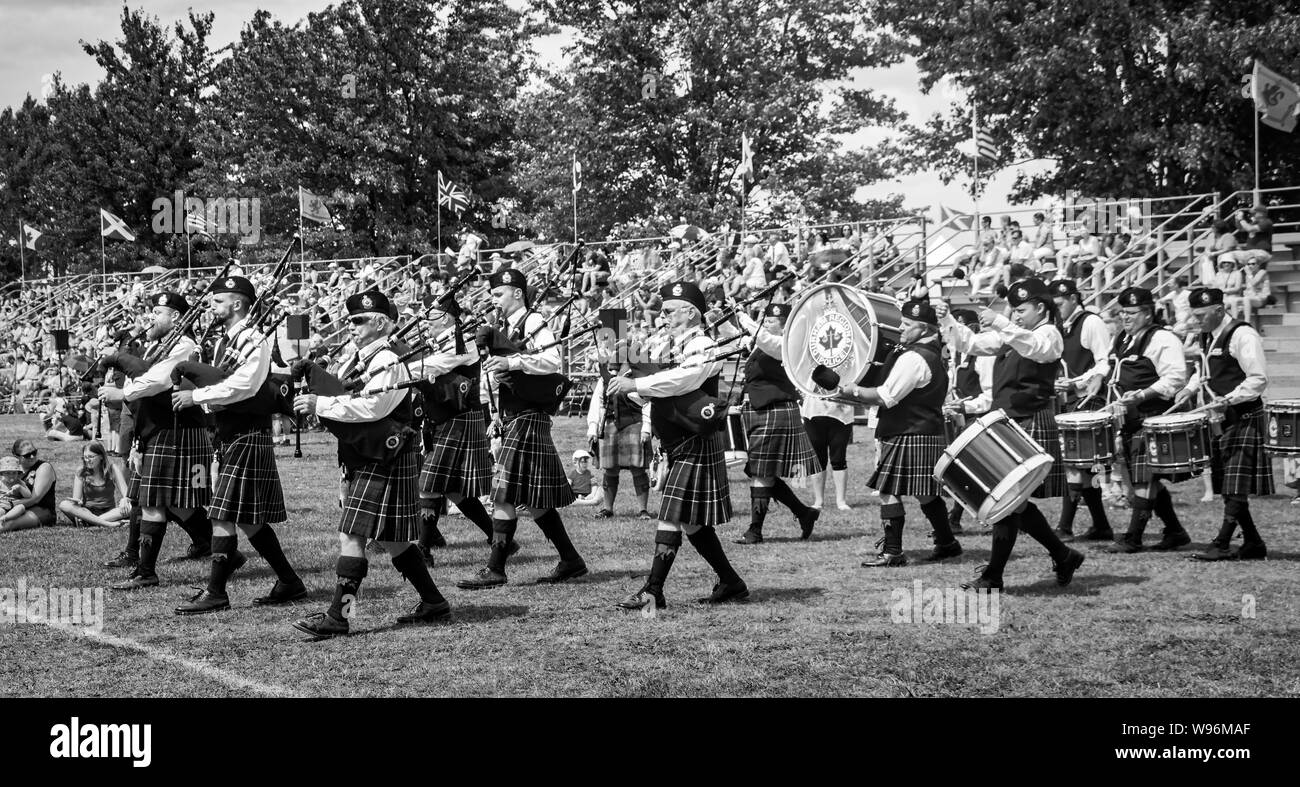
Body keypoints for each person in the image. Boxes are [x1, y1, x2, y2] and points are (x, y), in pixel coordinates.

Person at [290, 290, 452, 640]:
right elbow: (346, 393)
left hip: (386, 455)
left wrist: (321, 405)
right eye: (349, 320)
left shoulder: (391, 359)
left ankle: (338, 615)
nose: (351, 326)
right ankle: (434, 601)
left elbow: (373, 408)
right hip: (372, 455)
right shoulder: (360, 356)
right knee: (394, 540)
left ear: (381, 322)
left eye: (360, 320)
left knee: (352, 533)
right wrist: (316, 376)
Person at [938, 279, 1085, 590]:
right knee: (1012, 501)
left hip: (1030, 418)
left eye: (1021, 310)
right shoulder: (1013, 334)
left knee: (1007, 499)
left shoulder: (1049, 334)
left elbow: (1036, 349)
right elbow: (972, 344)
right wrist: (947, 318)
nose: (1016, 316)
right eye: (1014, 311)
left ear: (1041, 309)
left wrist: (1003, 322)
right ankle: (1062, 554)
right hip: (1009, 420)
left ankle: (994, 575)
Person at [171, 276, 306, 614]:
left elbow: (245, 385)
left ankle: (216, 591)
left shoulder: (253, 338)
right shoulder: (227, 341)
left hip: (248, 433)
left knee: (221, 514)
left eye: (218, 302)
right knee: (249, 521)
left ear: (238, 304)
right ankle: (289, 581)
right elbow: (224, 381)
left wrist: (198, 396)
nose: (211, 307)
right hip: (232, 434)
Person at [611, 281, 748, 610]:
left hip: (695, 439)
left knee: (671, 517)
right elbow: (653, 386)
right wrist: (628, 383)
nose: (663, 315)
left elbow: (683, 380)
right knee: (692, 523)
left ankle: (653, 590)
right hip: (674, 439)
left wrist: (637, 383)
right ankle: (731, 582)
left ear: (691, 312)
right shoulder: (665, 344)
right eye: (662, 310)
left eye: (670, 310)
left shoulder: (704, 345)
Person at [457, 268, 587, 589]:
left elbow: (552, 360)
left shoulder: (532, 321)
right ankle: (571, 560)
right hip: (518, 415)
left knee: (502, 494)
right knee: (535, 501)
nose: (494, 300)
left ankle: (496, 568)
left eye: (498, 294)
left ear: (517, 293)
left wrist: (511, 362)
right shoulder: (508, 328)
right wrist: (501, 413)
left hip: (530, 416)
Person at [833, 299, 961, 566]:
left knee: (887, 490)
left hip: (908, 431)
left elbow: (886, 396)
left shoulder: (914, 358)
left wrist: (851, 391)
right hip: (924, 431)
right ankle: (947, 543)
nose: (900, 328)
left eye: (908, 324)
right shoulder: (933, 355)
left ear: (925, 329)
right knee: (926, 493)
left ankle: (893, 552)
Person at [114, 292, 216, 590]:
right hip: (158, 428)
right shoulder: (158, 345)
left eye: (158, 312)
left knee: (154, 502)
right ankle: (225, 550)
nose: (151, 317)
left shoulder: (184, 346)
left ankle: (146, 571)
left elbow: (157, 382)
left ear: (176, 317)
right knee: (171, 503)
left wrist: (124, 392)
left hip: (177, 429)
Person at [1180, 289, 1272, 561]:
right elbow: (1204, 371)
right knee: (1228, 484)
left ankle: (1221, 542)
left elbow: (1258, 379)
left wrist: (1229, 399)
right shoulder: (1206, 335)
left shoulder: (1243, 335)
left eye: (1201, 315)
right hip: (1221, 419)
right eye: (1194, 315)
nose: (1196, 320)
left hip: (1244, 417)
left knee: (1234, 485)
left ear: (1219, 310)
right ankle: (1253, 543)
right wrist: (1189, 388)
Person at [1105, 287, 1192, 554]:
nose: (1125, 318)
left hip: (1153, 415)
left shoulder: (1163, 338)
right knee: (1144, 477)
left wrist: (1142, 394)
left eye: (1131, 313)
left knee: (1144, 479)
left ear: (1147, 312)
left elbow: (1176, 377)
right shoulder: (1123, 338)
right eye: (1122, 313)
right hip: (1130, 416)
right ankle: (1176, 532)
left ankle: (1133, 537)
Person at [410, 298, 498, 559]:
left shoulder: (465, 341)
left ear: (447, 318)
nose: (427, 322)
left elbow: (437, 366)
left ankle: (424, 550)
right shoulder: (444, 341)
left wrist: (397, 369)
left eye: (432, 316)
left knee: (428, 484)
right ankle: (497, 536)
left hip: (459, 418)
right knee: (453, 489)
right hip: (446, 417)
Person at [732, 302, 821, 544]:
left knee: (760, 472)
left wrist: (742, 315)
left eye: (771, 321)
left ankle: (755, 530)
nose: (766, 324)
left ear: (784, 326)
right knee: (760, 470)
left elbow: (761, 338)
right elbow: (740, 341)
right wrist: (724, 320)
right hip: (759, 410)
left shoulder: (787, 344)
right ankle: (804, 513)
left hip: (776, 409)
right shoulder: (761, 343)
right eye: (766, 320)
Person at [1049, 279, 1114, 542]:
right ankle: (1101, 526)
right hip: (1069, 401)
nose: (1057, 309)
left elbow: (1103, 362)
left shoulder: (1091, 322)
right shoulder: (1057, 326)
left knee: (1077, 465)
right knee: (1084, 469)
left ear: (1074, 298)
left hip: (1089, 400)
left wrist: (1075, 382)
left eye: (1060, 303)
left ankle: (1065, 527)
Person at [586, 344, 654, 519]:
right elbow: (597, 403)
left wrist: (647, 427)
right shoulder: (606, 379)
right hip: (611, 425)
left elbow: (648, 403)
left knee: (638, 469)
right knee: (609, 469)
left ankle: (643, 510)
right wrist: (593, 427)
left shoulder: (639, 378)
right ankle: (607, 509)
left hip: (635, 425)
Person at [942, 308, 994, 535]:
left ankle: (957, 516)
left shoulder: (983, 355)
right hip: (961, 417)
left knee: (976, 470)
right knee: (960, 469)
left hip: (979, 418)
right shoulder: (954, 354)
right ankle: (954, 517)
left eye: (960, 326)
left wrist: (966, 406)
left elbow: (989, 397)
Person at [58, 441, 130, 527]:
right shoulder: (81, 471)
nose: (87, 460)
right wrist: (78, 502)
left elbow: (127, 494)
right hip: (87, 511)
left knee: (132, 507)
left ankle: (90, 522)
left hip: (109, 512)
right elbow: (76, 500)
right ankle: (108, 524)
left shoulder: (112, 469)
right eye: (85, 457)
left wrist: (124, 500)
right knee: (64, 504)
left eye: (91, 457)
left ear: (101, 457)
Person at [801, 395, 855, 511]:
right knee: (818, 459)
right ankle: (818, 501)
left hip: (841, 414)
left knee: (839, 458)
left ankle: (841, 501)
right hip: (814, 412)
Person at [0, 439, 57, 532]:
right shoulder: (13, 471)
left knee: (9, 523)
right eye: (27, 455)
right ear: (17, 457)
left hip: (41, 510)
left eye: (34, 452)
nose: (32, 456)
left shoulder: (44, 467)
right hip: (15, 507)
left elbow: (35, 498)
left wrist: (9, 504)